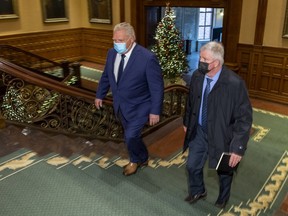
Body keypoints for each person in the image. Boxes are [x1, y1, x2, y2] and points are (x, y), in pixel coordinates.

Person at [182, 41, 252, 208]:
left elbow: (244, 118)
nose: (200, 61)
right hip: (199, 131)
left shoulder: (234, 84)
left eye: (204, 59)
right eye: (200, 57)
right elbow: (191, 102)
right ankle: (198, 190)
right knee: (192, 166)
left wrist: (238, 148)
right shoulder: (198, 76)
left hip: (222, 135)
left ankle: (223, 197)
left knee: (224, 171)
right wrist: (187, 122)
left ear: (216, 63)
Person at [95, 22, 164, 176]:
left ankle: (134, 161)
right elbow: (106, 76)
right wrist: (100, 94)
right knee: (132, 136)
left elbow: (156, 87)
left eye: (120, 40)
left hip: (141, 106)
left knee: (130, 135)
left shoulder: (147, 58)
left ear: (131, 39)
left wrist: (155, 111)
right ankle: (144, 156)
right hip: (120, 105)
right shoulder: (111, 53)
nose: (116, 44)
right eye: (114, 40)